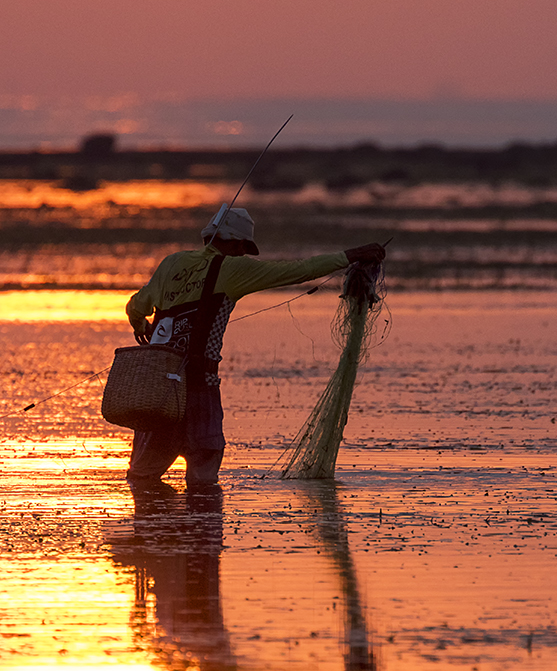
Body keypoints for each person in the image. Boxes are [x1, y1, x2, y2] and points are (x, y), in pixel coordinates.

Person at [124, 205, 385, 489]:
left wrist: (144, 328)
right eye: (242, 247)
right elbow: (298, 270)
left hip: (159, 392)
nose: (243, 254)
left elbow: (135, 307)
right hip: (199, 389)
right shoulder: (233, 269)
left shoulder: (171, 263)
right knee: (203, 483)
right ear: (233, 242)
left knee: (142, 480)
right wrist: (350, 256)